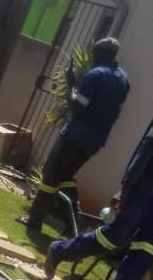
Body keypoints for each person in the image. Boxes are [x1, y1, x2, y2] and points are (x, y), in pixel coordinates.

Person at [45, 117, 153, 280]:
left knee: (145, 251)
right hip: (142, 191)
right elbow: (145, 151)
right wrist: (125, 188)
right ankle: (59, 250)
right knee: (113, 237)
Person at [20, 38, 130, 234]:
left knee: (52, 175)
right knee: (66, 177)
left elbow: (77, 108)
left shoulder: (95, 75)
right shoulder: (123, 80)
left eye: (94, 53)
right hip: (95, 141)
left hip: (75, 136)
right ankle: (71, 224)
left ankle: (34, 220)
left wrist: (71, 84)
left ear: (99, 54)